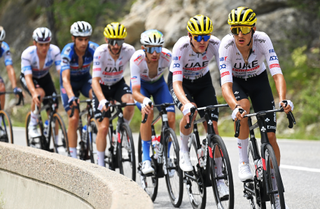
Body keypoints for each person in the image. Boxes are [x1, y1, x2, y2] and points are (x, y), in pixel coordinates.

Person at [219, 7, 293, 208]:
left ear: (253, 28)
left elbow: (276, 73)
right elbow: (225, 84)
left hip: (259, 80)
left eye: (244, 29)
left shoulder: (262, 40)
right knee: (243, 108)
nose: (240, 34)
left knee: (270, 136)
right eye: (235, 30)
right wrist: (234, 106)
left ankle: (273, 178)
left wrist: (283, 99)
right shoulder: (226, 45)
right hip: (236, 83)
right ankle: (244, 162)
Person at [168, 15, 229, 197]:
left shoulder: (215, 44)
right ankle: (184, 152)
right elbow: (176, 84)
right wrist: (186, 104)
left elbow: (225, 72)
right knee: (191, 113)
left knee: (213, 126)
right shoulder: (181, 46)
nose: (203, 41)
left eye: (206, 36)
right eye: (198, 37)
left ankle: (219, 179)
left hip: (203, 81)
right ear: (190, 36)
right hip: (181, 82)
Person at [130, 29, 175, 174]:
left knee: (171, 115)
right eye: (150, 49)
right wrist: (144, 101)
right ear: (144, 49)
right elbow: (135, 92)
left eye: (158, 49)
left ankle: (167, 156)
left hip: (159, 85)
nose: (155, 53)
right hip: (141, 88)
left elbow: (175, 81)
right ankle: (145, 159)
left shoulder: (168, 56)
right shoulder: (136, 59)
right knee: (148, 113)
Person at [92, 22, 135, 167]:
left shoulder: (129, 51)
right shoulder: (100, 52)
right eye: (112, 42)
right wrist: (102, 100)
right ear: (106, 40)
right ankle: (101, 164)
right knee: (103, 128)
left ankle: (123, 129)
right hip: (102, 87)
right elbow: (95, 81)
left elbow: (137, 73)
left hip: (117, 84)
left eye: (119, 42)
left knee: (130, 102)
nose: (116, 46)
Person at [60, 21, 99, 159]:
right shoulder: (67, 52)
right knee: (74, 117)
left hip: (84, 81)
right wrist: (71, 96)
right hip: (69, 84)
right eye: (80, 39)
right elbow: (65, 79)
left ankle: (89, 127)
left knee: (96, 97)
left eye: (86, 39)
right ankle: (73, 155)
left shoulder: (94, 48)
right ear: (73, 39)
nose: (84, 43)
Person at [20, 27, 61, 138]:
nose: (44, 47)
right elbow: (27, 77)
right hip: (29, 77)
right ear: (35, 43)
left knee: (54, 106)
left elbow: (61, 72)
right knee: (39, 94)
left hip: (44, 77)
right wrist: (33, 93)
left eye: (47, 44)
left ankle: (56, 142)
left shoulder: (55, 51)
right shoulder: (27, 54)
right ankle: (32, 125)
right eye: (41, 44)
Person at [0, 26, 22, 138]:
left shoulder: (4, 47)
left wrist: (15, 87)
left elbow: (10, 68)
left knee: (1, 87)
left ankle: (0, 117)